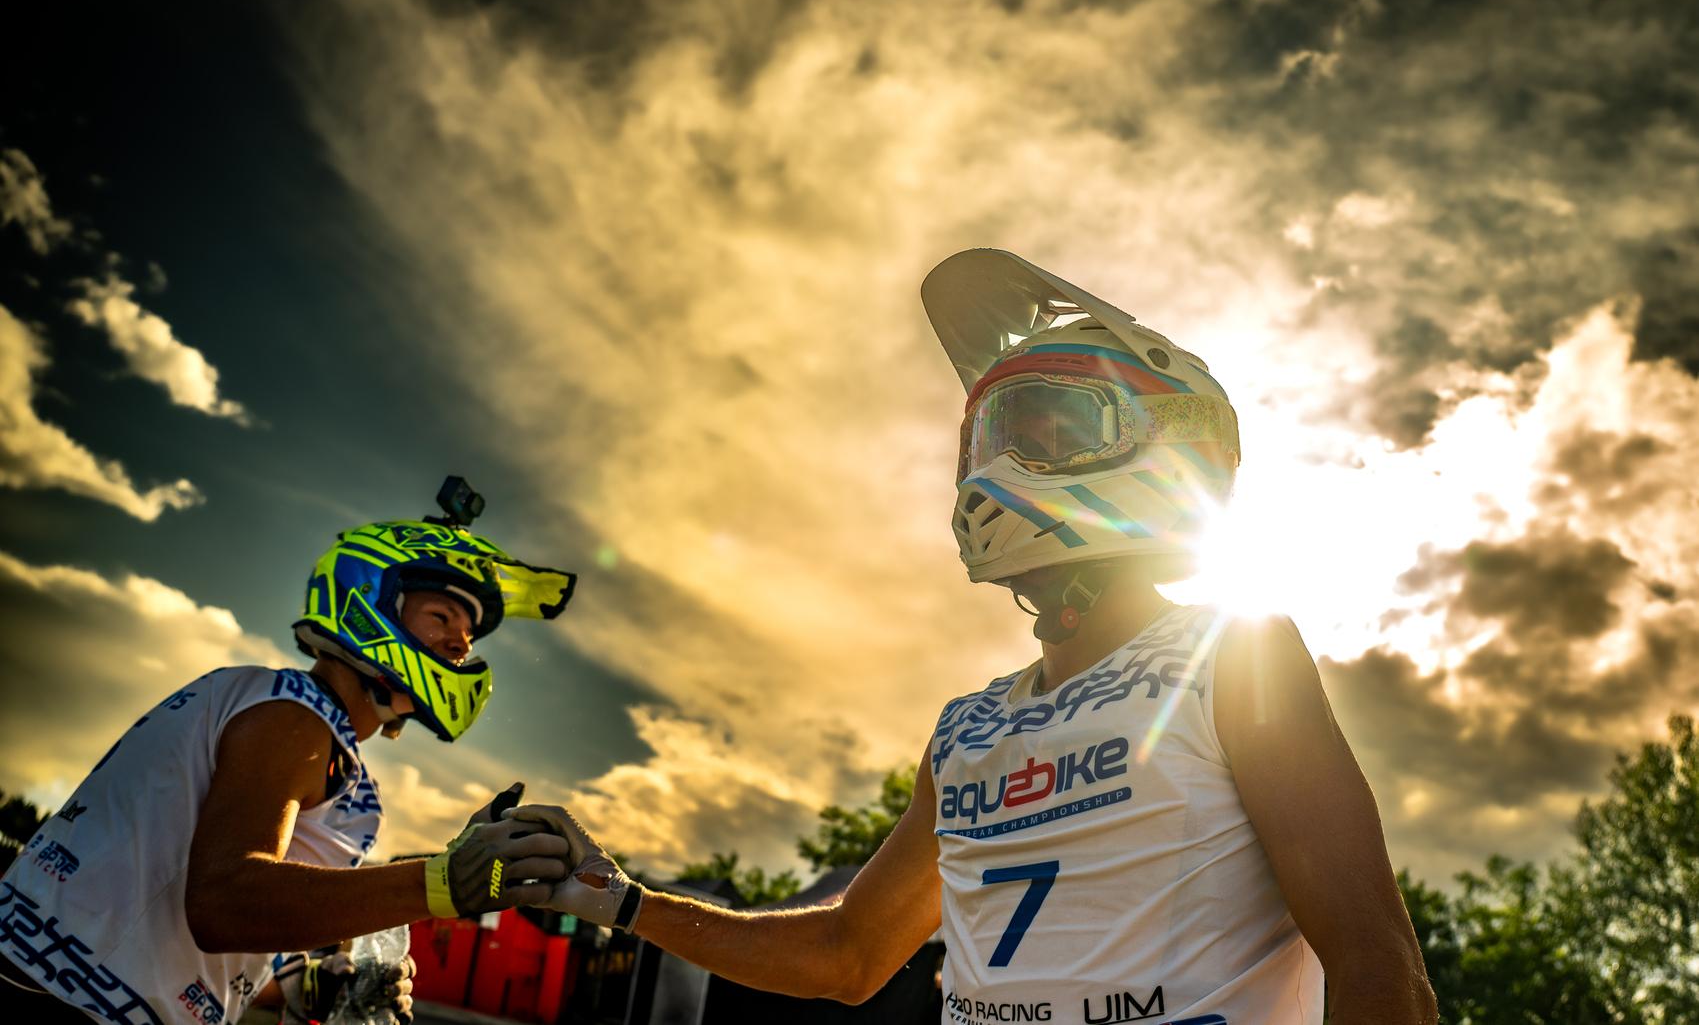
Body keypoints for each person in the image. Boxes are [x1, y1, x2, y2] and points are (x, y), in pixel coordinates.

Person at [514, 251, 1438, 1024]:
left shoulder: (1235, 655)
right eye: (985, 436)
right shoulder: (967, 726)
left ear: (1166, 444)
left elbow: (1378, 965)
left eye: (1040, 427)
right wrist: (619, 897)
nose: (993, 466)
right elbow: (846, 952)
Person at [0, 478, 579, 1024]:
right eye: (442, 616)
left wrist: (312, 983)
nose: (461, 643)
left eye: (470, 635)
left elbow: (214, 953)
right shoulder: (295, 714)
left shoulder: (322, 745)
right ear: (370, 599)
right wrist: (438, 883)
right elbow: (224, 905)